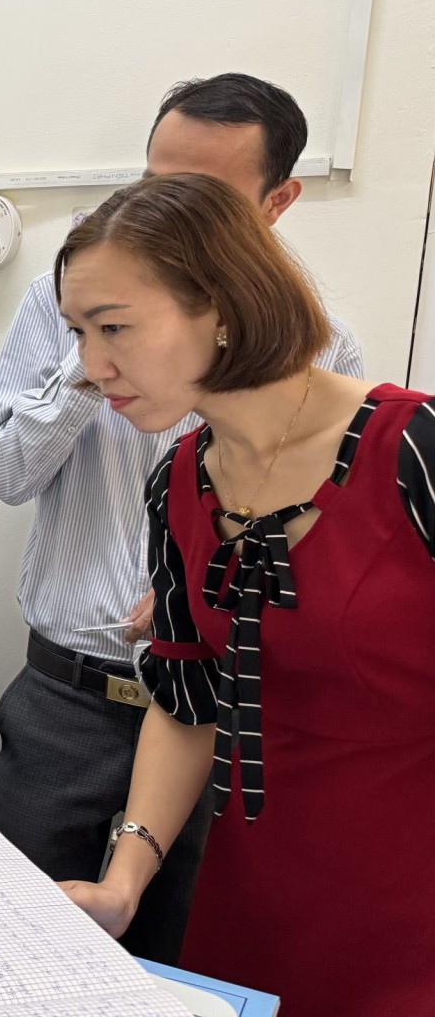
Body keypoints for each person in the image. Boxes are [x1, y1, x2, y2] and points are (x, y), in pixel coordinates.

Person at [0, 73, 362, 961]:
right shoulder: (73, 313)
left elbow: (324, 557)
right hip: (70, 699)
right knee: (15, 954)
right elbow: (4, 473)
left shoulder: (347, 379)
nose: (167, 215)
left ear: (275, 204)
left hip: (229, 721)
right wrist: (96, 344)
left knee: (184, 962)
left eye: (204, 195)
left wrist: (211, 593)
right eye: (154, 185)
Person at [55, 171, 432, 1014]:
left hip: (412, 908)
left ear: (222, 306)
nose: (92, 365)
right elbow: (188, 699)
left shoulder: (415, 449)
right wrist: (124, 881)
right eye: (78, 332)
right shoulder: (179, 481)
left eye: (114, 327)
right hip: (252, 895)